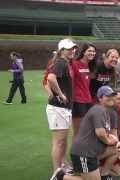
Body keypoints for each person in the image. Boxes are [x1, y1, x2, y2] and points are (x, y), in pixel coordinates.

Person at [46, 38, 77, 174]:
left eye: (73, 48)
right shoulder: (61, 62)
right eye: (69, 49)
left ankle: (62, 165)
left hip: (62, 108)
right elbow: (50, 78)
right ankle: (56, 171)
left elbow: (49, 80)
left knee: (63, 140)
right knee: (59, 142)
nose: (72, 51)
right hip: (58, 108)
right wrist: (61, 94)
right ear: (61, 50)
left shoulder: (64, 63)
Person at [71, 43, 97, 137]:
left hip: (88, 101)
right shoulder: (75, 64)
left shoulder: (90, 66)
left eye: (94, 51)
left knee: (87, 131)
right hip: (77, 101)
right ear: (83, 52)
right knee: (78, 132)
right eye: (89, 51)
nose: (92, 53)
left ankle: (83, 151)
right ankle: (75, 152)